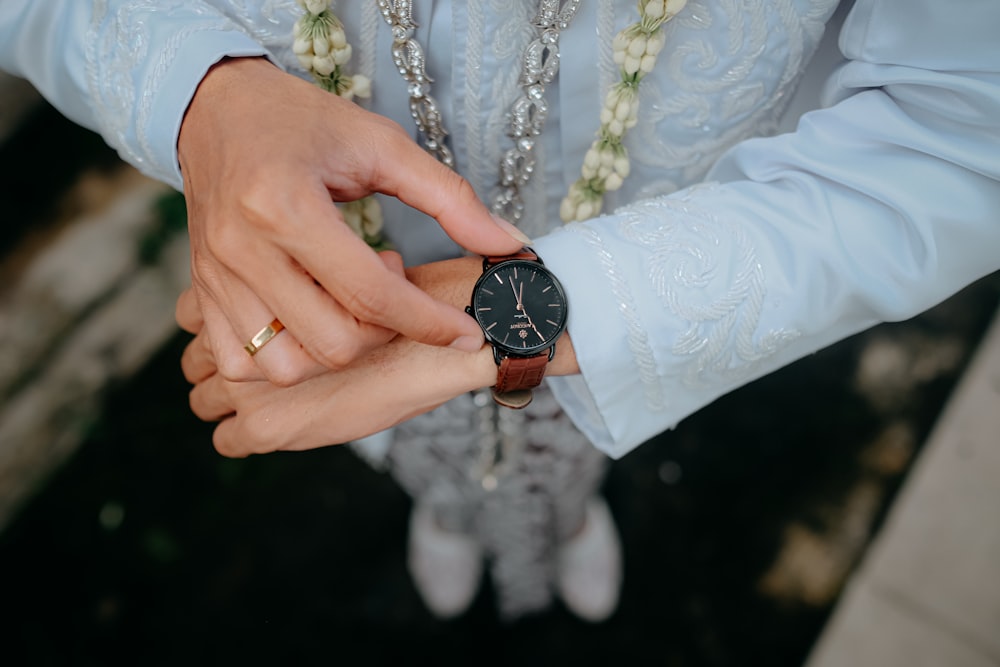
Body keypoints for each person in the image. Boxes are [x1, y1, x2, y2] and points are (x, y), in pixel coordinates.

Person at [3, 0, 999, 620]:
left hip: (636, 279)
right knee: (404, 441)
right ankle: (442, 510)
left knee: (575, 443)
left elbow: (959, 122)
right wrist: (203, 97)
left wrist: (562, 316)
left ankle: (564, 525)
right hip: (339, 284)